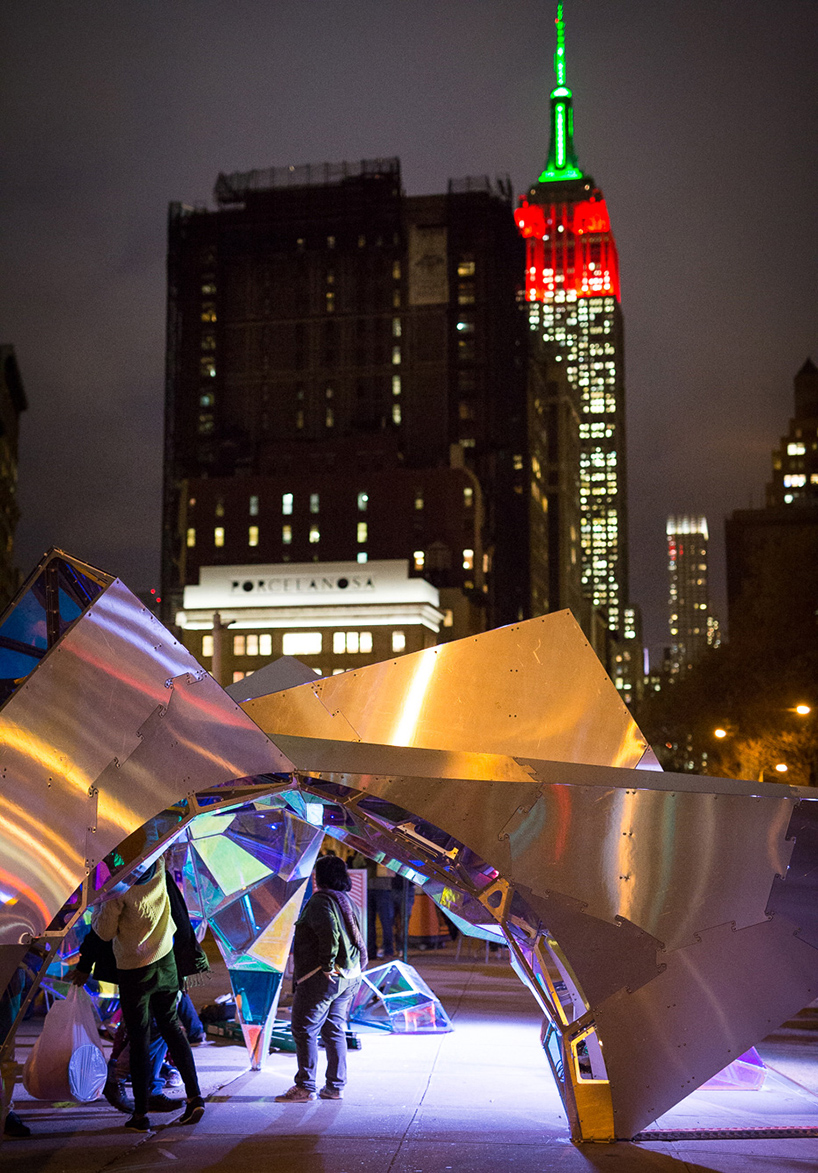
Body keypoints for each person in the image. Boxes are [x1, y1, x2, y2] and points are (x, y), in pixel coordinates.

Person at [92, 856, 205, 1132]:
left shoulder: (118, 886)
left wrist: (98, 908)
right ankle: (195, 1097)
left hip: (134, 971)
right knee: (172, 1029)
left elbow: (104, 932)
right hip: (166, 963)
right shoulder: (157, 863)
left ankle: (140, 1114)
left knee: (139, 1038)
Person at [276, 855, 366, 1103]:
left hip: (323, 977)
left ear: (319, 876)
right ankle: (335, 1086)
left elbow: (329, 931)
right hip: (349, 977)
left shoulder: (320, 902)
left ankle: (305, 1087)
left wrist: (327, 964)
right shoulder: (348, 900)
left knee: (304, 1028)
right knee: (333, 1029)